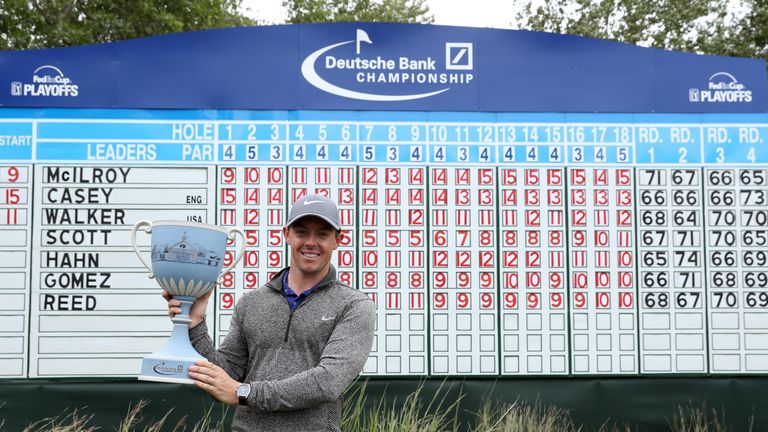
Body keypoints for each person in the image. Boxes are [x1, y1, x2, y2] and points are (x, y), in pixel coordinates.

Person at [164, 193, 375, 432]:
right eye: (301, 232)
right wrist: (195, 324)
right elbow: (225, 376)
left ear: (339, 239)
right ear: (286, 234)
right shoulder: (251, 302)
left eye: (323, 234)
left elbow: (327, 382)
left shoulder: (354, 305)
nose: (311, 242)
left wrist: (244, 392)